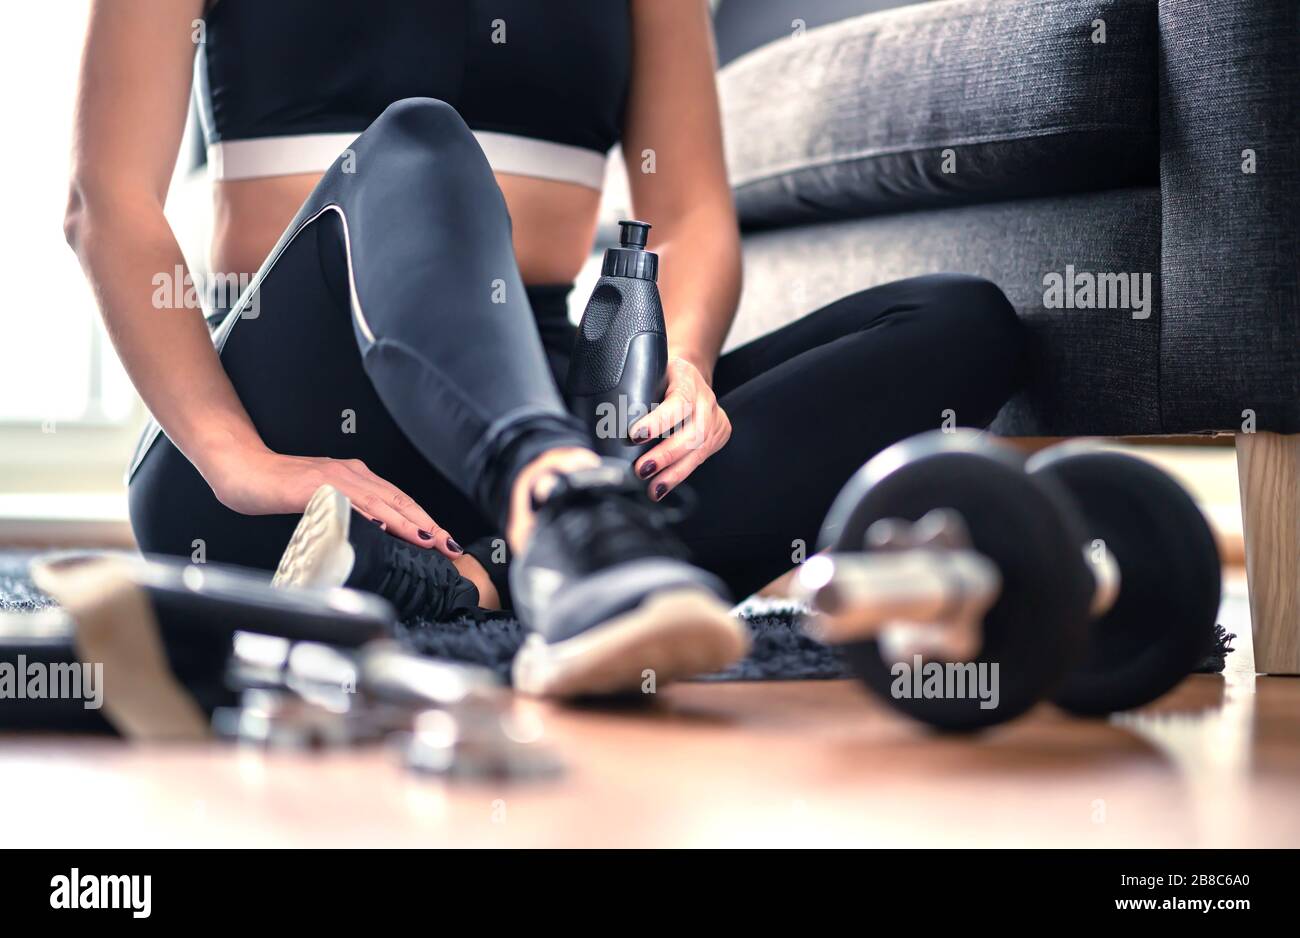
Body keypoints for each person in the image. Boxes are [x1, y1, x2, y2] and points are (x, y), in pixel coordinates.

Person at [64, 0, 1024, 697]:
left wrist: (682, 362)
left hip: (552, 391)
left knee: (958, 323)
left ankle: (489, 578)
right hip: (289, 431)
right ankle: (563, 514)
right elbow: (104, 199)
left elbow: (687, 211)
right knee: (419, 136)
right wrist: (237, 462)